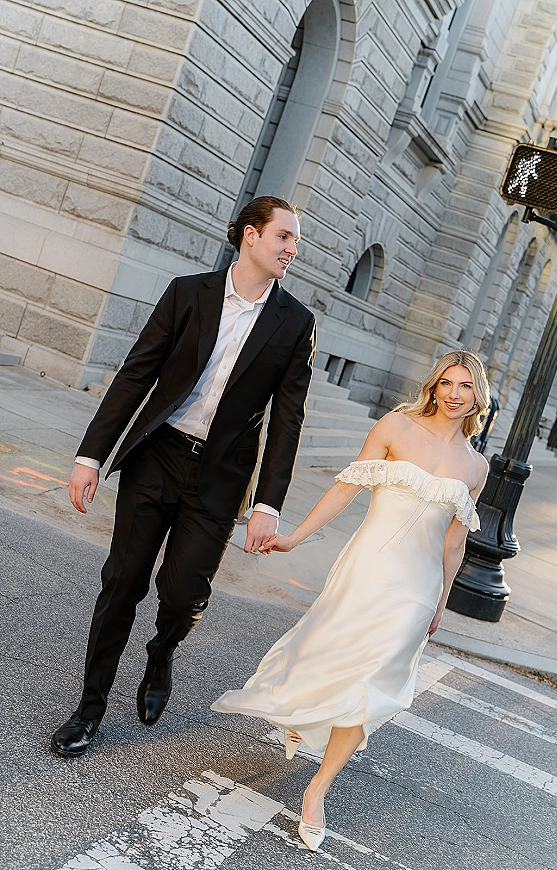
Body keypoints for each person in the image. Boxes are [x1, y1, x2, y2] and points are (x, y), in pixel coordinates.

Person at [50, 196, 316, 758]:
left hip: (220, 477)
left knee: (183, 593)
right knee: (123, 583)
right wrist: (90, 455)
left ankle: (161, 654)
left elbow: (287, 421)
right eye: (284, 237)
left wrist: (267, 504)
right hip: (158, 456)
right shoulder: (187, 293)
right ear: (249, 235)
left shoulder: (295, 323)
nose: (292, 249)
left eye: (295, 240)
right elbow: (136, 375)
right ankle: (89, 708)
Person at [212, 350, 490, 851]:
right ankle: (302, 717)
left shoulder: (476, 466)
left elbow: (454, 541)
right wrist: (295, 537)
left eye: (465, 386)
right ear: (434, 385)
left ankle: (318, 788)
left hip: (418, 587)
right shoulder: (396, 428)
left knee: (377, 679)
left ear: (477, 395)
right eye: (447, 382)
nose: (454, 393)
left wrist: (441, 600)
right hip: (367, 569)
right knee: (327, 653)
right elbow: (345, 489)